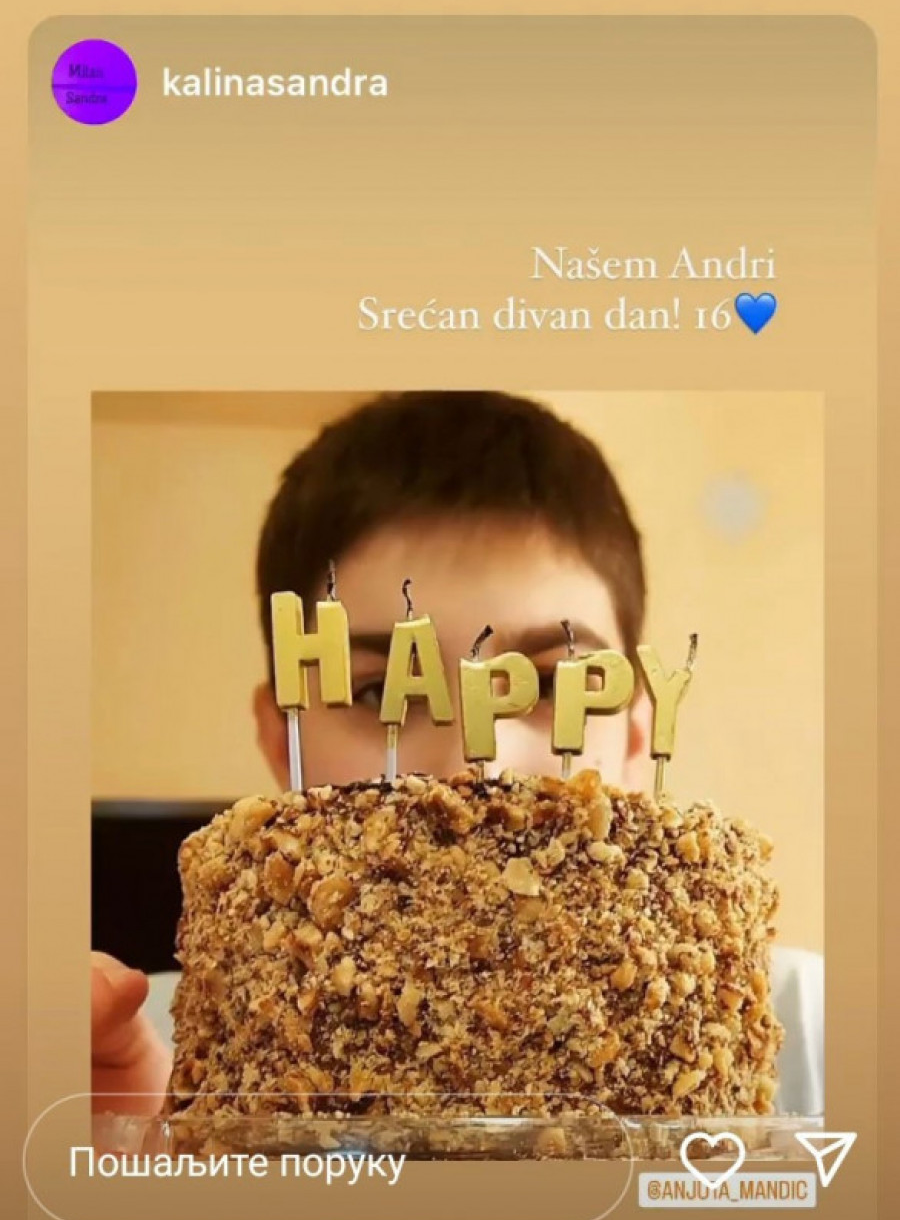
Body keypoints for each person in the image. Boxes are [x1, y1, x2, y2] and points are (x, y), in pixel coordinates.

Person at [92, 391, 824, 1117]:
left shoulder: (822, 1036)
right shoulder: (140, 1060)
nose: (477, 768)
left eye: (548, 684)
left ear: (636, 736)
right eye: (379, 691)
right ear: (280, 738)